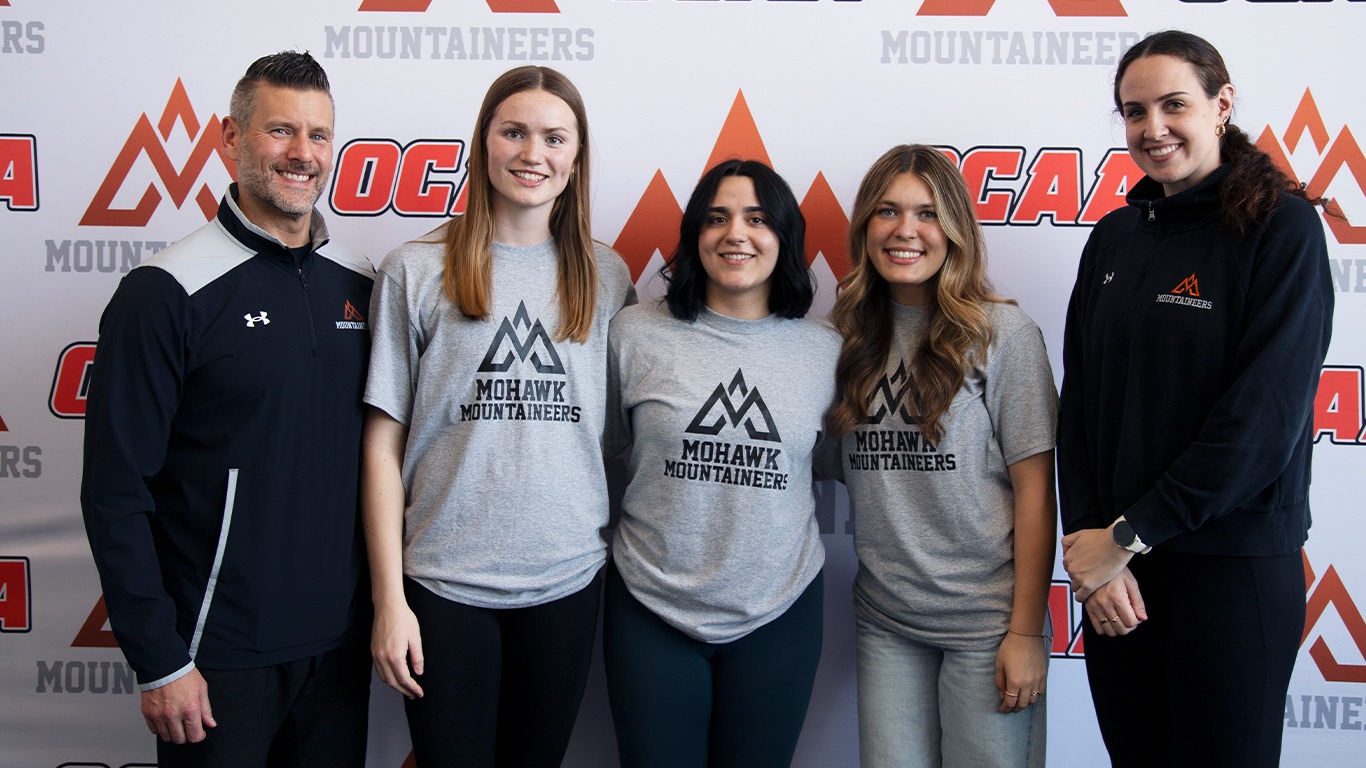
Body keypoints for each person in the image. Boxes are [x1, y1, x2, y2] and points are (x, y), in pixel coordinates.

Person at [80, 51, 373, 766]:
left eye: (319, 135)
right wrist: (159, 660)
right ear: (229, 138)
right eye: (280, 131)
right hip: (214, 660)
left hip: (337, 652)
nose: (302, 155)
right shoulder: (164, 291)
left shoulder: (360, 286)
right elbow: (116, 492)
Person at [1058, 30, 1334, 767]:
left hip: (1230, 571)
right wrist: (1093, 542)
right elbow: (1080, 406)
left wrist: (1126, 535)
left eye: (1174, 104)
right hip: (1119, 579)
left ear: (1222, 105)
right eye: (1133, 111)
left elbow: (1263, 423)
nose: (1152, 129)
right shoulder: (1114, 238)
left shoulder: (1282, 228)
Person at [361, 65, 634, 767]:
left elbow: (630, 437)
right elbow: (382, 445)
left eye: (553, 137)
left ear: (576, 160)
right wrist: (389, 600)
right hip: (443, 582)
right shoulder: (415, 271)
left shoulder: (607, 278)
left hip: (566, 579)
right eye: (513, 132)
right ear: (484, 143)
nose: (531, 153)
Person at [603, 159, 839, 768]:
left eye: (757, 219)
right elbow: (589, 449)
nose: (736, 233)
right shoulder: (633, 333)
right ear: (694, 236)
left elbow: (841, 465)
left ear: (784, 236)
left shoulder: (825, 351)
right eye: (717, 218)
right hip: (650, 604)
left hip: (778, 610)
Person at [826, 145, 1057, 767]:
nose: (905, 231)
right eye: (887, 212)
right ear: (864, 227)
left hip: (988, 625)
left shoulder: (1002, 334)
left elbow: (1036, 491)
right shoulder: (843, 338)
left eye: (927, 214)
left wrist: (1027, 632)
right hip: (886, 621)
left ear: (955, 229)